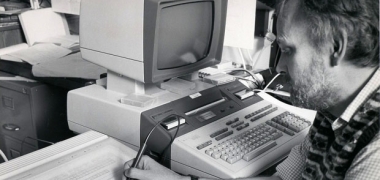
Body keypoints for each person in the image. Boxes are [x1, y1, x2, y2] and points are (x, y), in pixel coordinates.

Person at [123, 0, 380, 179]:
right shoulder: (331, 111)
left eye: (288, 50)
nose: (278, 67)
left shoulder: (374, 152)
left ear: (336, 47)